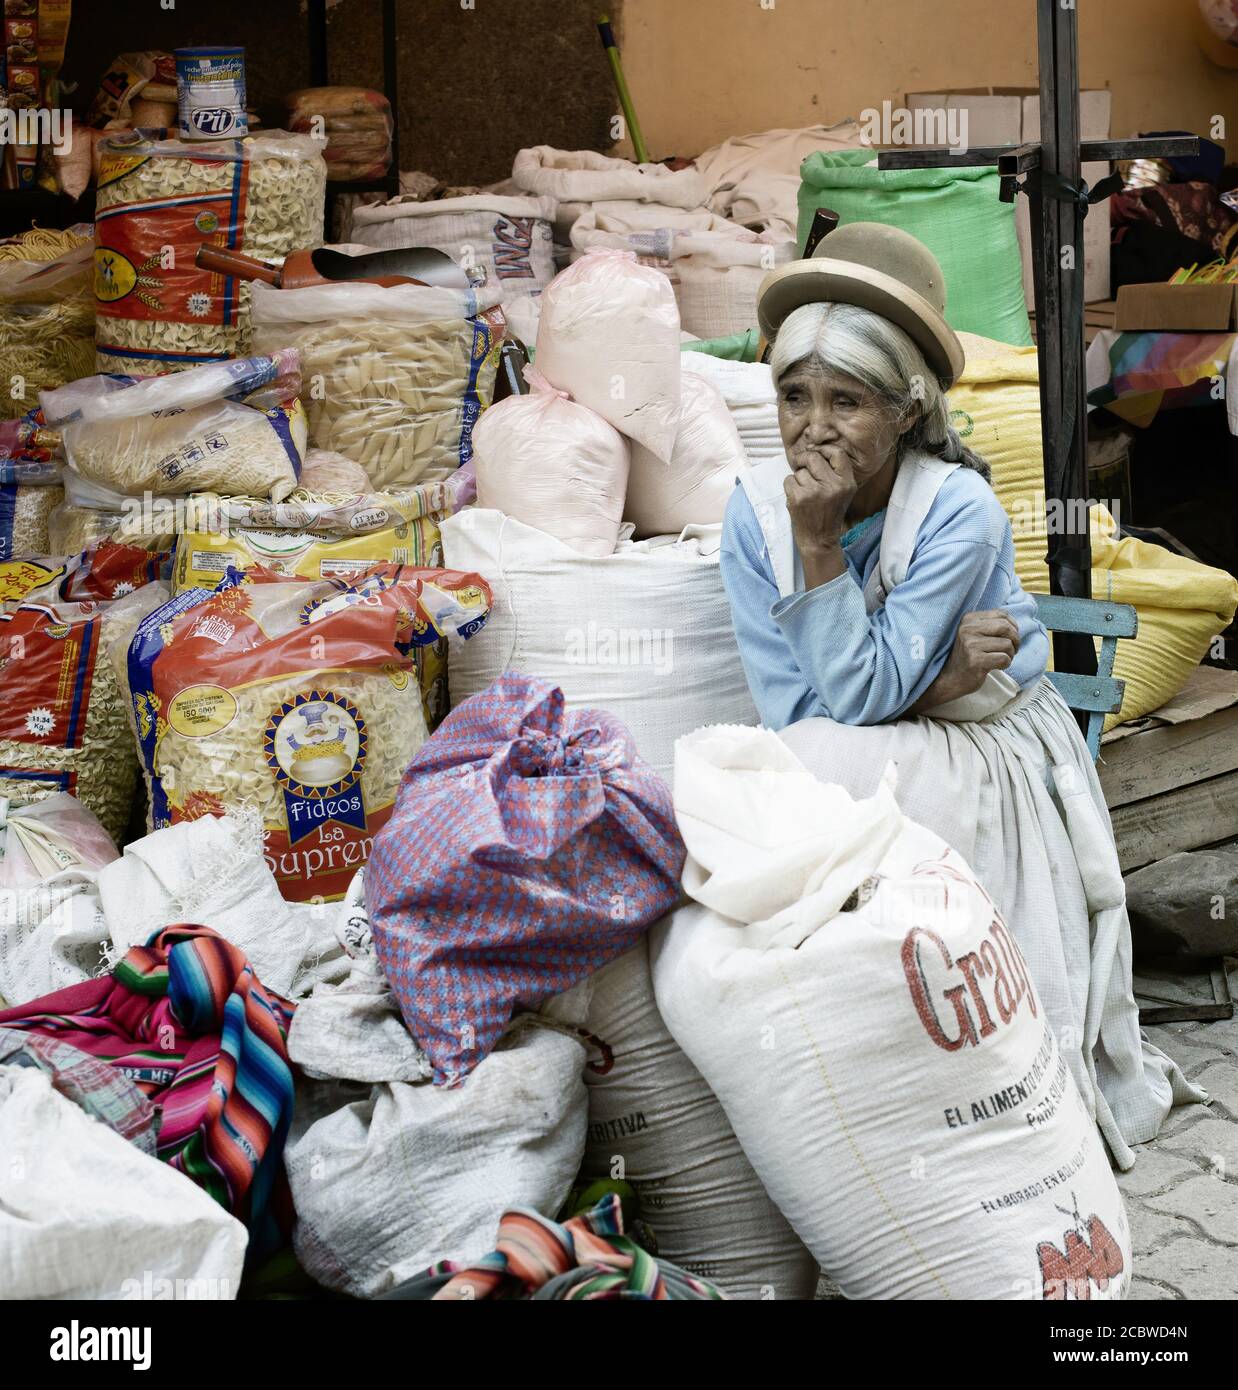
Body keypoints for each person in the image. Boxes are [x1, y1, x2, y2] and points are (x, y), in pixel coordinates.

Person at [720, 222, 1200, 1169]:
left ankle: (970, 1074)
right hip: (890, 728)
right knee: (791, 779)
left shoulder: (956, 511)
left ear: (905, 413)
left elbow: (852, 699)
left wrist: (822, 552)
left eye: (846, 401)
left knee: (836, 782)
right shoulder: (748, 515)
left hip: (992, 746)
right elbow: (792, 712)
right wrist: (934, 679)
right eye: (793, 396)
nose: (812, 429)